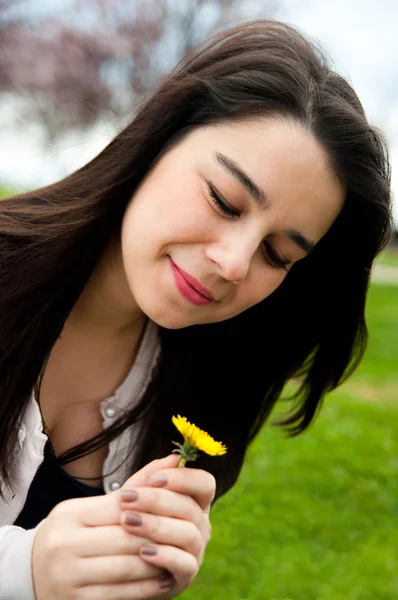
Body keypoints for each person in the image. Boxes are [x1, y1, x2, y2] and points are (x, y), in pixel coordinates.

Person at [0, 17, 392, 600]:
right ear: (157, 144)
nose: (233, 264)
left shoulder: (213, 377)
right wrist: (24, 568)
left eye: (278, 254)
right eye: (224, 200)